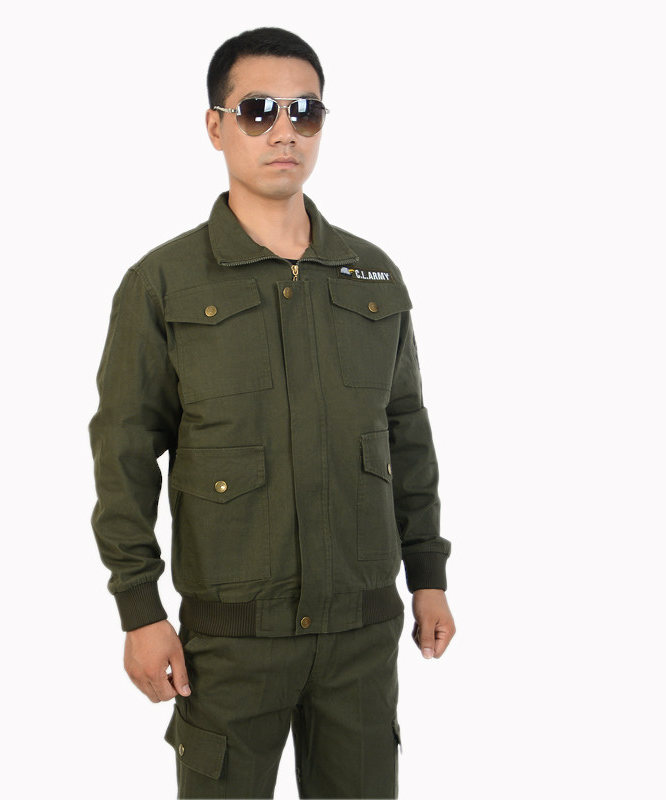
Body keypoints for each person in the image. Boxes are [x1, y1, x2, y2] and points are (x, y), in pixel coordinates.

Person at [89, 26, 455, 799]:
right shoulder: (163, 283)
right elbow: (123, 453)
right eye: (258, 111)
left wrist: (428, 575)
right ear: (215, 125)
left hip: (361, 634)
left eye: (305, 111)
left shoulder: (372, 276)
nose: (284, 131)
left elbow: (406, 434)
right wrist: (139, 611)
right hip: (229, 645)